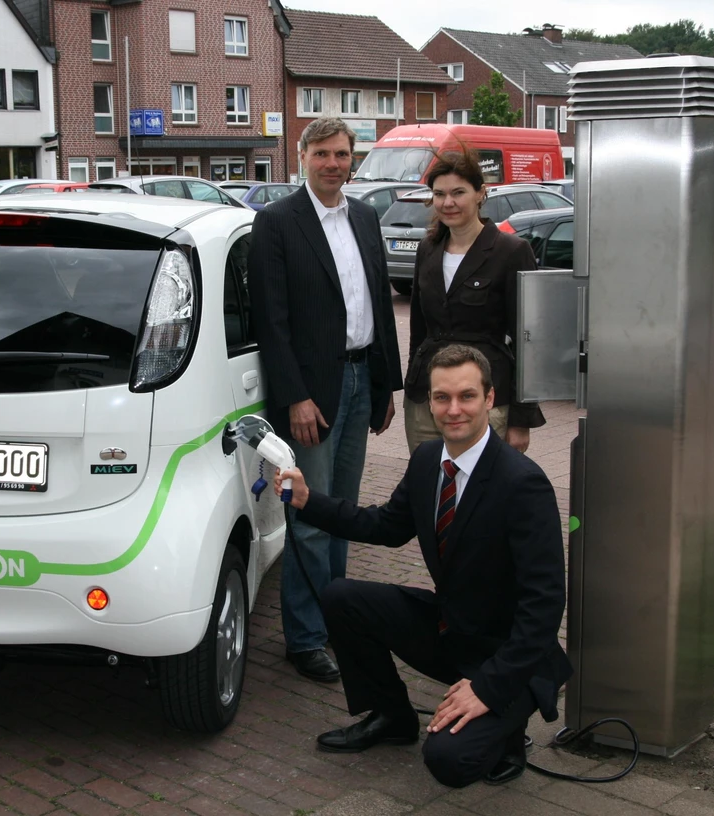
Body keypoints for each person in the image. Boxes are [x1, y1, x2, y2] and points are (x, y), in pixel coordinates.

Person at [275, 344, 571, 788]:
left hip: (508, 653)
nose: (454, 410)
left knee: (449, 761)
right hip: (452, 630)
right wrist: (307, 500)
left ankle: (508, 733)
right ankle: (392, 716)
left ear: (489, 398)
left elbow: (544, 606)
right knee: (342, 597)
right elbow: (386, 526)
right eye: (442, 397)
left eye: (467, 396)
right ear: (429, 402)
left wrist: (487, 687)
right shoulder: (429, 460)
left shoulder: (522, 483)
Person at [248, 117, 403, 683]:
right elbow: (271, 321)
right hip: (312, 394)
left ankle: (336, 618)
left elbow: (378, 305)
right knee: (310, 517)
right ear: (303, 156)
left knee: (343, 513)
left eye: (342, 154)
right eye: (322, 154)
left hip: (361, 381)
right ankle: (306, 637)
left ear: (352, 158)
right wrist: (295, 397)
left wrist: (386, 384)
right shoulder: (276, 222)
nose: (333, 164)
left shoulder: (364, 217)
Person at [404, 150, 545, 455]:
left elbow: (530, 341)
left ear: (481, 193)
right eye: (439, 194)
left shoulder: (511, 251)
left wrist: (521, 420)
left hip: (485, 401)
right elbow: (419, 330)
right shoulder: (428, 249)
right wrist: (412, 386)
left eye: (458, 193)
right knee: (427, 479)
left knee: (481, 482)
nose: (448, 202)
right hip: (427, 399)